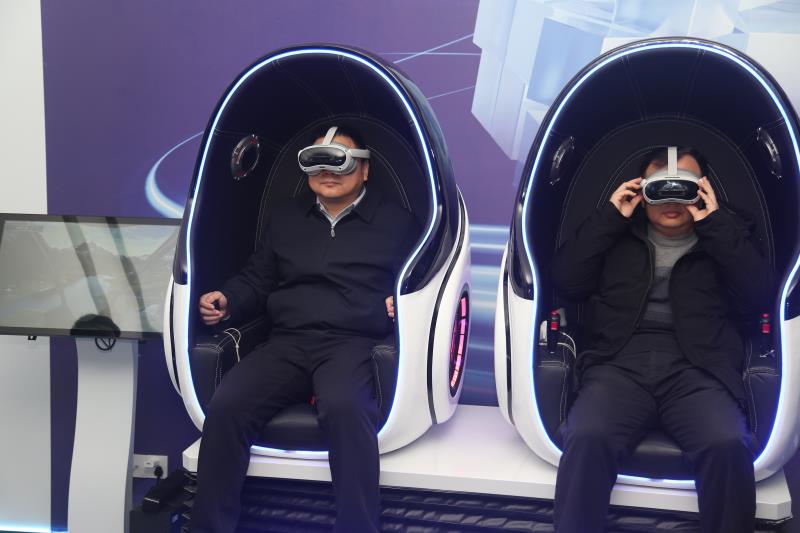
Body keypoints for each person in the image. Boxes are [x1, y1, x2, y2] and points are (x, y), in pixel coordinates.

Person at [190, 125, 419, 533]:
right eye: (317, 162)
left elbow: (418, 282)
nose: (327, 172)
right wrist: (228, 299)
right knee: (226, 407)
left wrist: (401, 303)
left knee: (346, 409)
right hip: (289, 341)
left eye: (339, 161)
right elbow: (259, 278)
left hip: (352, 343)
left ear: (364, 169)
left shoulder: (397, 223)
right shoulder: (286, 218)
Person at [550, 146, 771, 532]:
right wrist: (610, 217)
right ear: (641, 190)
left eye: (683, 187)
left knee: (726, 443)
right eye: (660, 187)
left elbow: (758, 296)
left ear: (703, 189)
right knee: (587, 436)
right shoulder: (616, 232)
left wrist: (716, 224)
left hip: (698, 366)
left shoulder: (729, 233)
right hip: (619, 362)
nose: (671, 199)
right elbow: (566, 280)